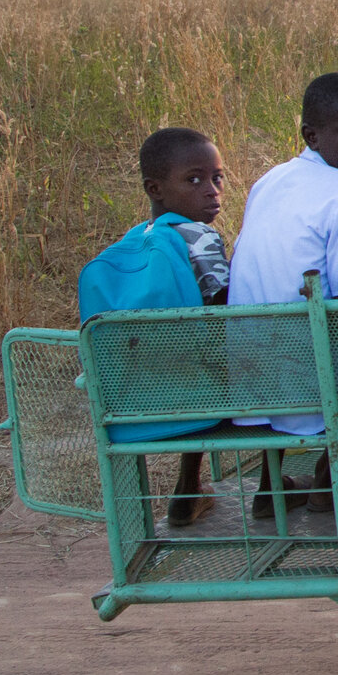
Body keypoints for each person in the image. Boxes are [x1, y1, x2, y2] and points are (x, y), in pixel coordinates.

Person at [227, 72, 338, 522]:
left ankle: (271, 485)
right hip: (309, 377)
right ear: (311, 136)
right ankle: (328, 480)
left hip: (252, 376)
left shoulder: (272, 178)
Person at [77, 127, 231, 527]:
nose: (212, 191)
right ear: (155, 188)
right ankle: (272, 488)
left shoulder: (135, 238)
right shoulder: (200, 238)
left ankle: (190, 488)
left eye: (218, 178)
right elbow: (228, 314)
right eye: (194, 180)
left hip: (135, 402)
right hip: (201, 400)